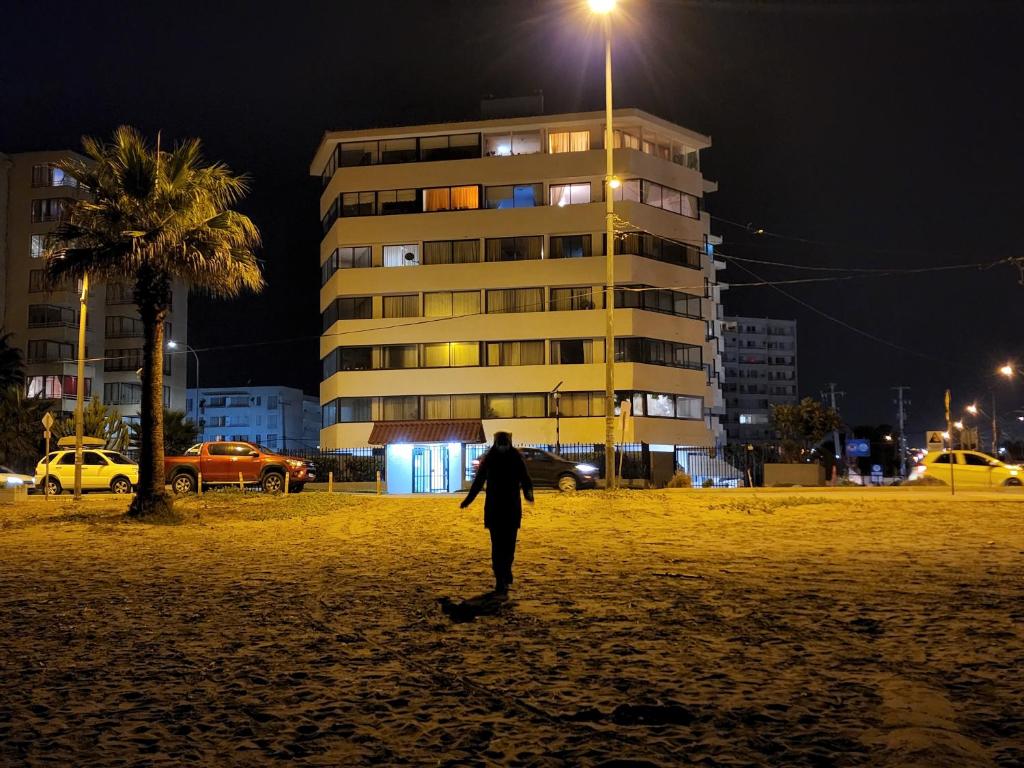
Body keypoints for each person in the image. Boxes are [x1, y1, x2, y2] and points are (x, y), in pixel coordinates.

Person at [460, 432, 534, 595]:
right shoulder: (493, 459)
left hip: (506, 508)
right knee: (501, 545)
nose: (502, 446)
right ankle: (500, 578)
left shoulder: (512, 458)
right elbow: (479, 481)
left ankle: (504, 571)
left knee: (506, 546)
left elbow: (525, 479)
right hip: (499, 508)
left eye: (504, 443)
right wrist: (468, 499)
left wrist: (529, 494)